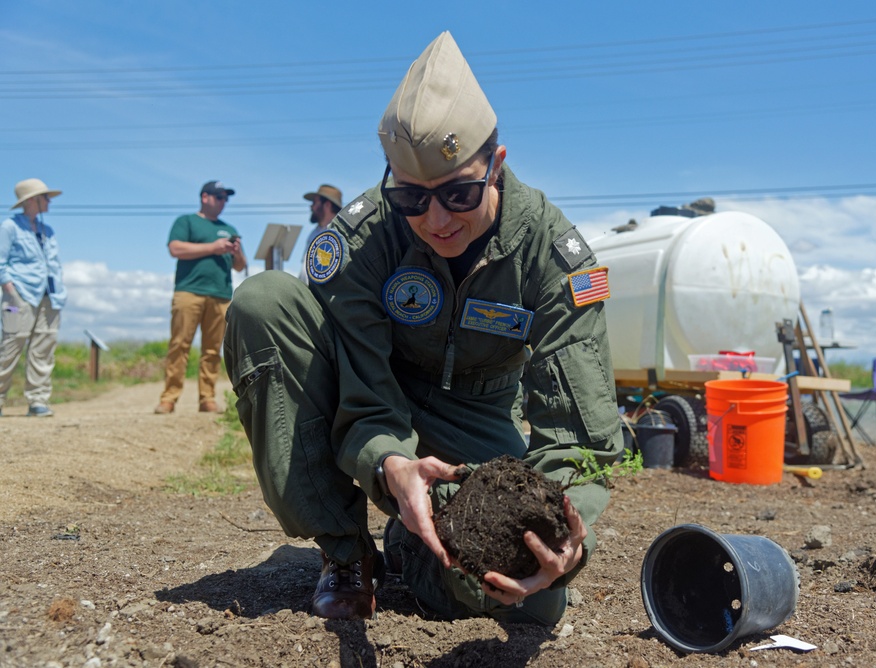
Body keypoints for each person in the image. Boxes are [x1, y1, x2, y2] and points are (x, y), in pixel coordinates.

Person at [223, 31, 622, 625]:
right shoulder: (358, 242)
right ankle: (347, 553)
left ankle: (414, 547)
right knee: (263, 301)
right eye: (411, 197)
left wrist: (557, 530)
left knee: (528, 598)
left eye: (459, 192)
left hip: (479, 415)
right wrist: (391, 463)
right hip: (379, 384)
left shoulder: (553, 253)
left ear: (497, 164)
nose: (436, 220)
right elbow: (363, 395)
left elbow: (582, 434)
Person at [155, 181, 246, 415]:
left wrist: (235, 252)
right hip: (189, 292)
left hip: (220, 295)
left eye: (226, 198)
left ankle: (207, 398)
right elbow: (175, 249)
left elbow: (240, 266)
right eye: (219, 197)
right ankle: (169, 398)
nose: (223, 202)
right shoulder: (186, 222)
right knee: (179, 345)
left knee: (213, 350)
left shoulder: (229, 228)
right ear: (205, 197)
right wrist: (213, 247)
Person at [0, 178, 67, 418]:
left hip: (50, 297)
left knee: (44, 347)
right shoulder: (9, 227)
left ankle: (38, 400)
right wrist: (11, 291)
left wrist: (60, 291)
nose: (49, 201)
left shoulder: (48, 231)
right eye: (45, 197)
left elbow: (54, 264)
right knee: (11, 345)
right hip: (19, 297)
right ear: (32, 200)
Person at [298, 184, 343, 284]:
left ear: (327, 205)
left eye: (314, 202)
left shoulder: (340, 233)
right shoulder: (314, 233)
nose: (311, 206)